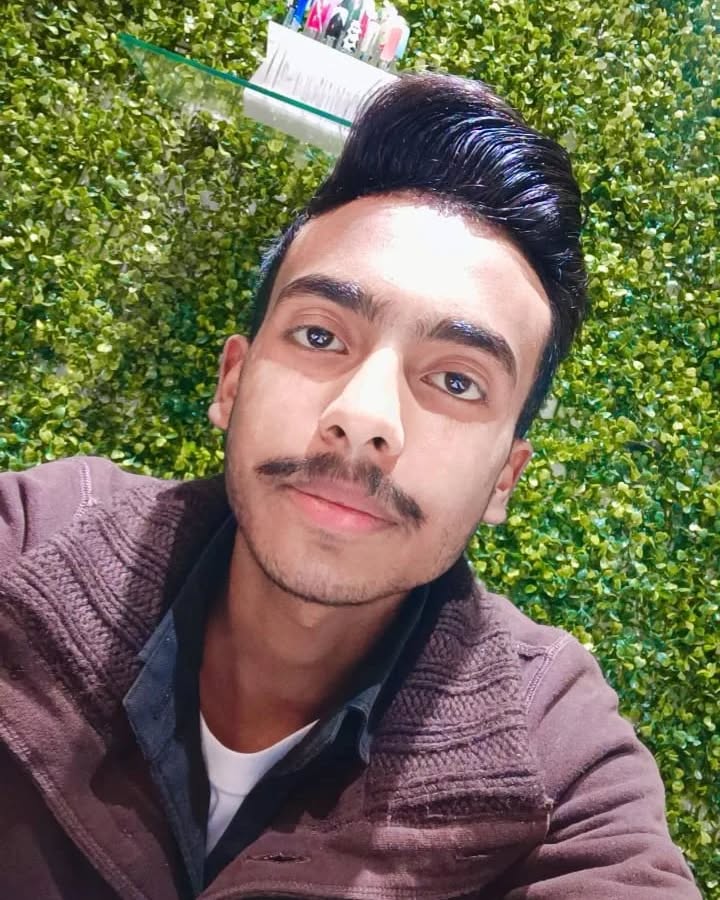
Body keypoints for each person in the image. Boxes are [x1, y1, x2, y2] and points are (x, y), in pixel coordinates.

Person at [0, 74, 700, 900]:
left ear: (504, 479)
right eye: (320, 335)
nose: (364, 417)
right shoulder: (32, 545)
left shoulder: (558, 755)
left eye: (458, 381)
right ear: (233, 381)